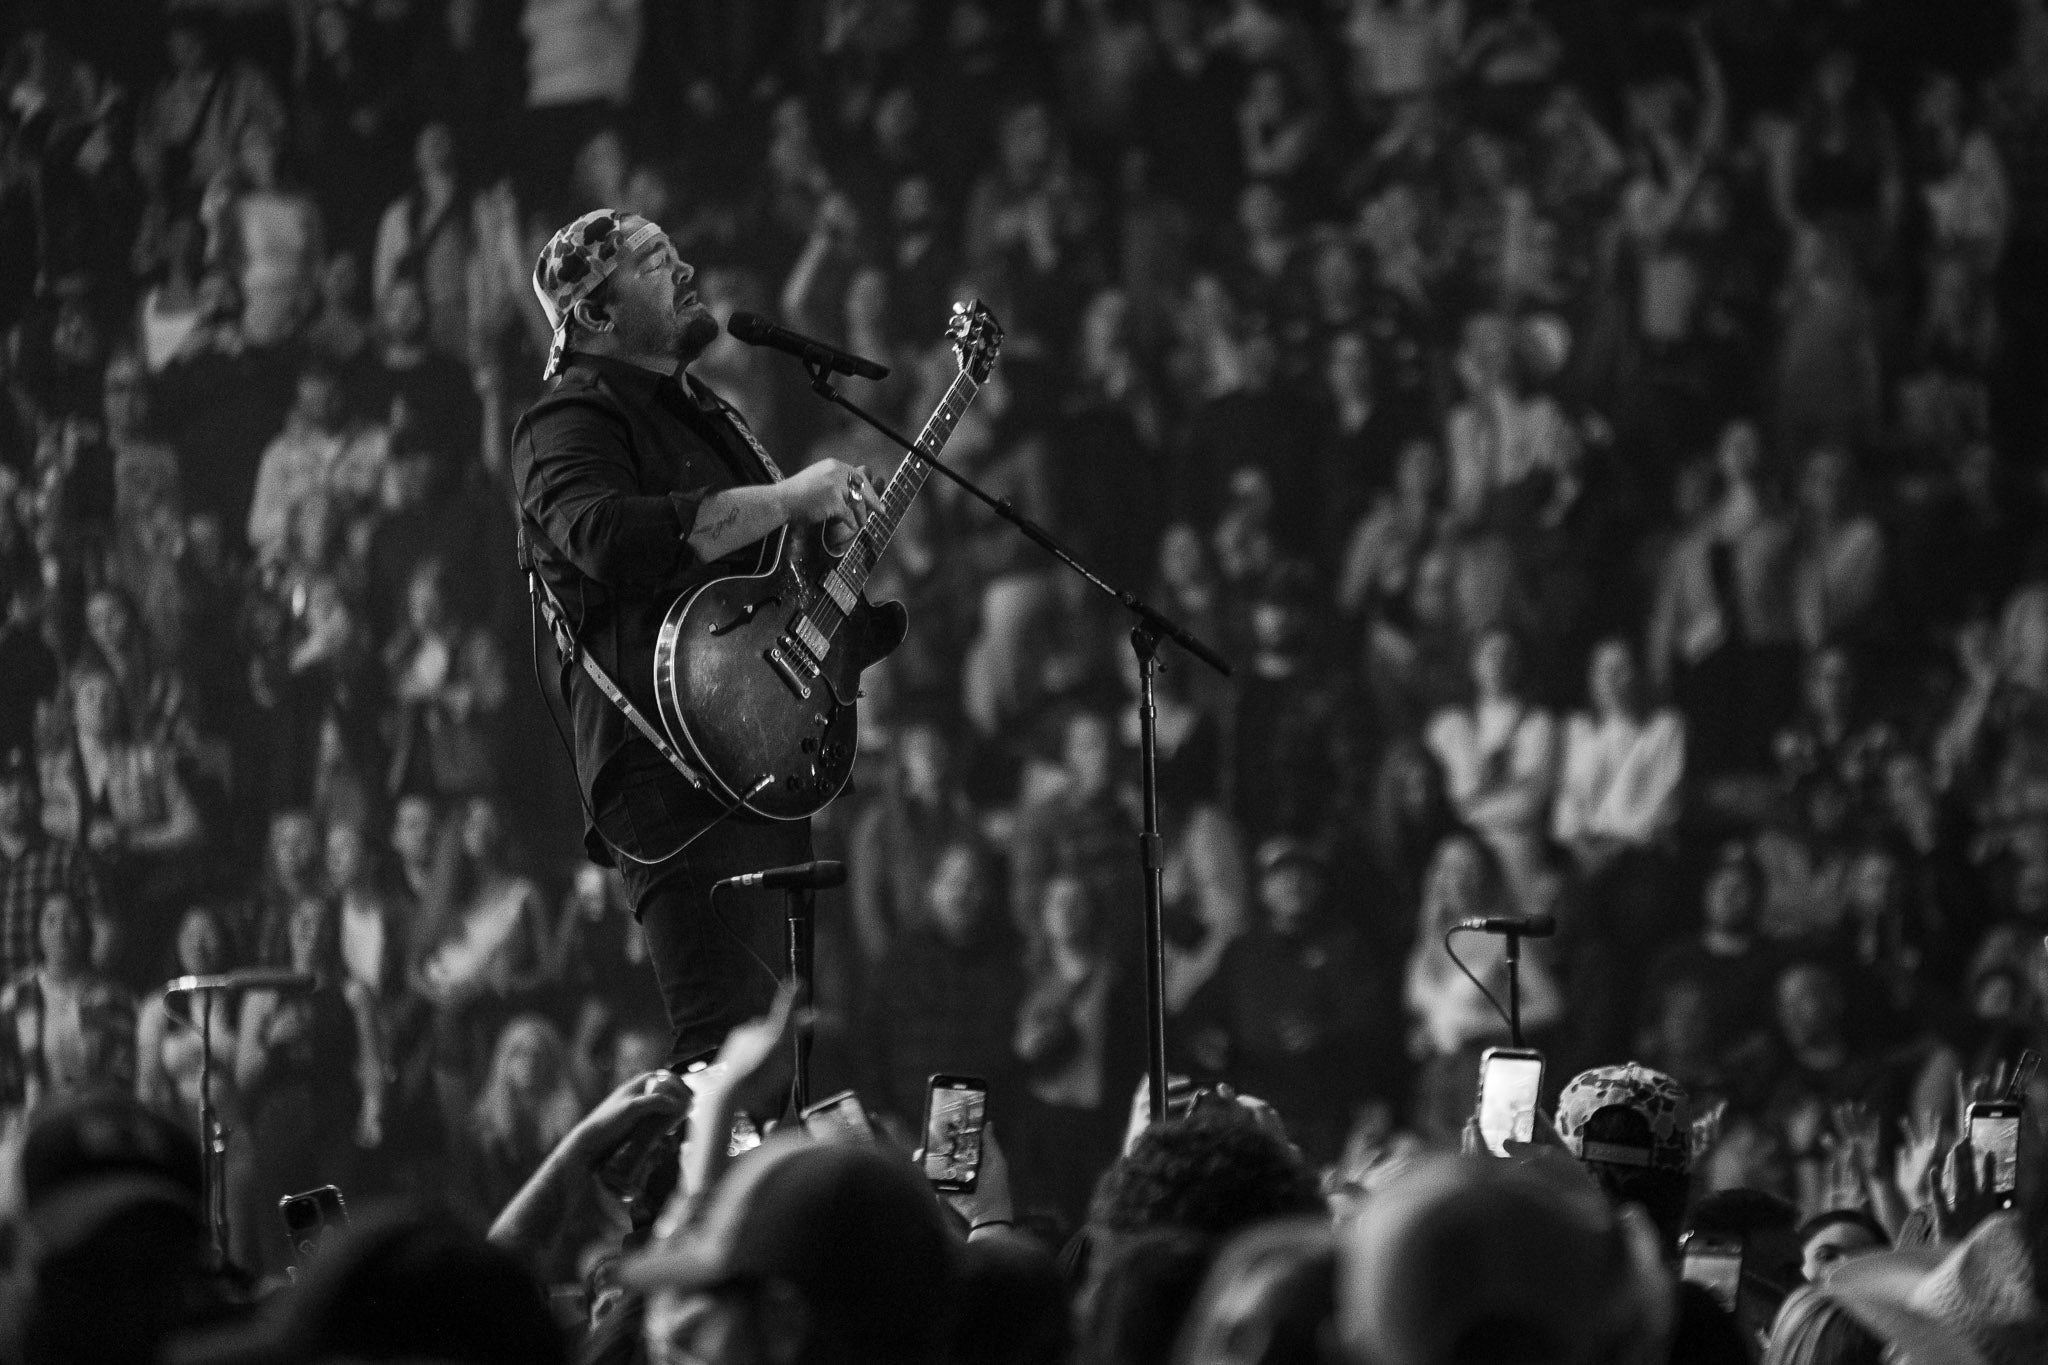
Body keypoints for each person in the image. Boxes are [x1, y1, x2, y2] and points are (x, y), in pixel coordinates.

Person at [512, 207, 878, 1071]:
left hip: (755, 753)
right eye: (653, 262)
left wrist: (826, 559)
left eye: (677, 253)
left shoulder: (707, 413)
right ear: (596, 314)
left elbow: (758, 568)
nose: (683, 270)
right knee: (722, 1051)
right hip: (666, 775)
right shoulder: (564, 420)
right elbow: (607, 537)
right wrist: (790, 498)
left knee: (783, 1054)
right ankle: (664, 1206)